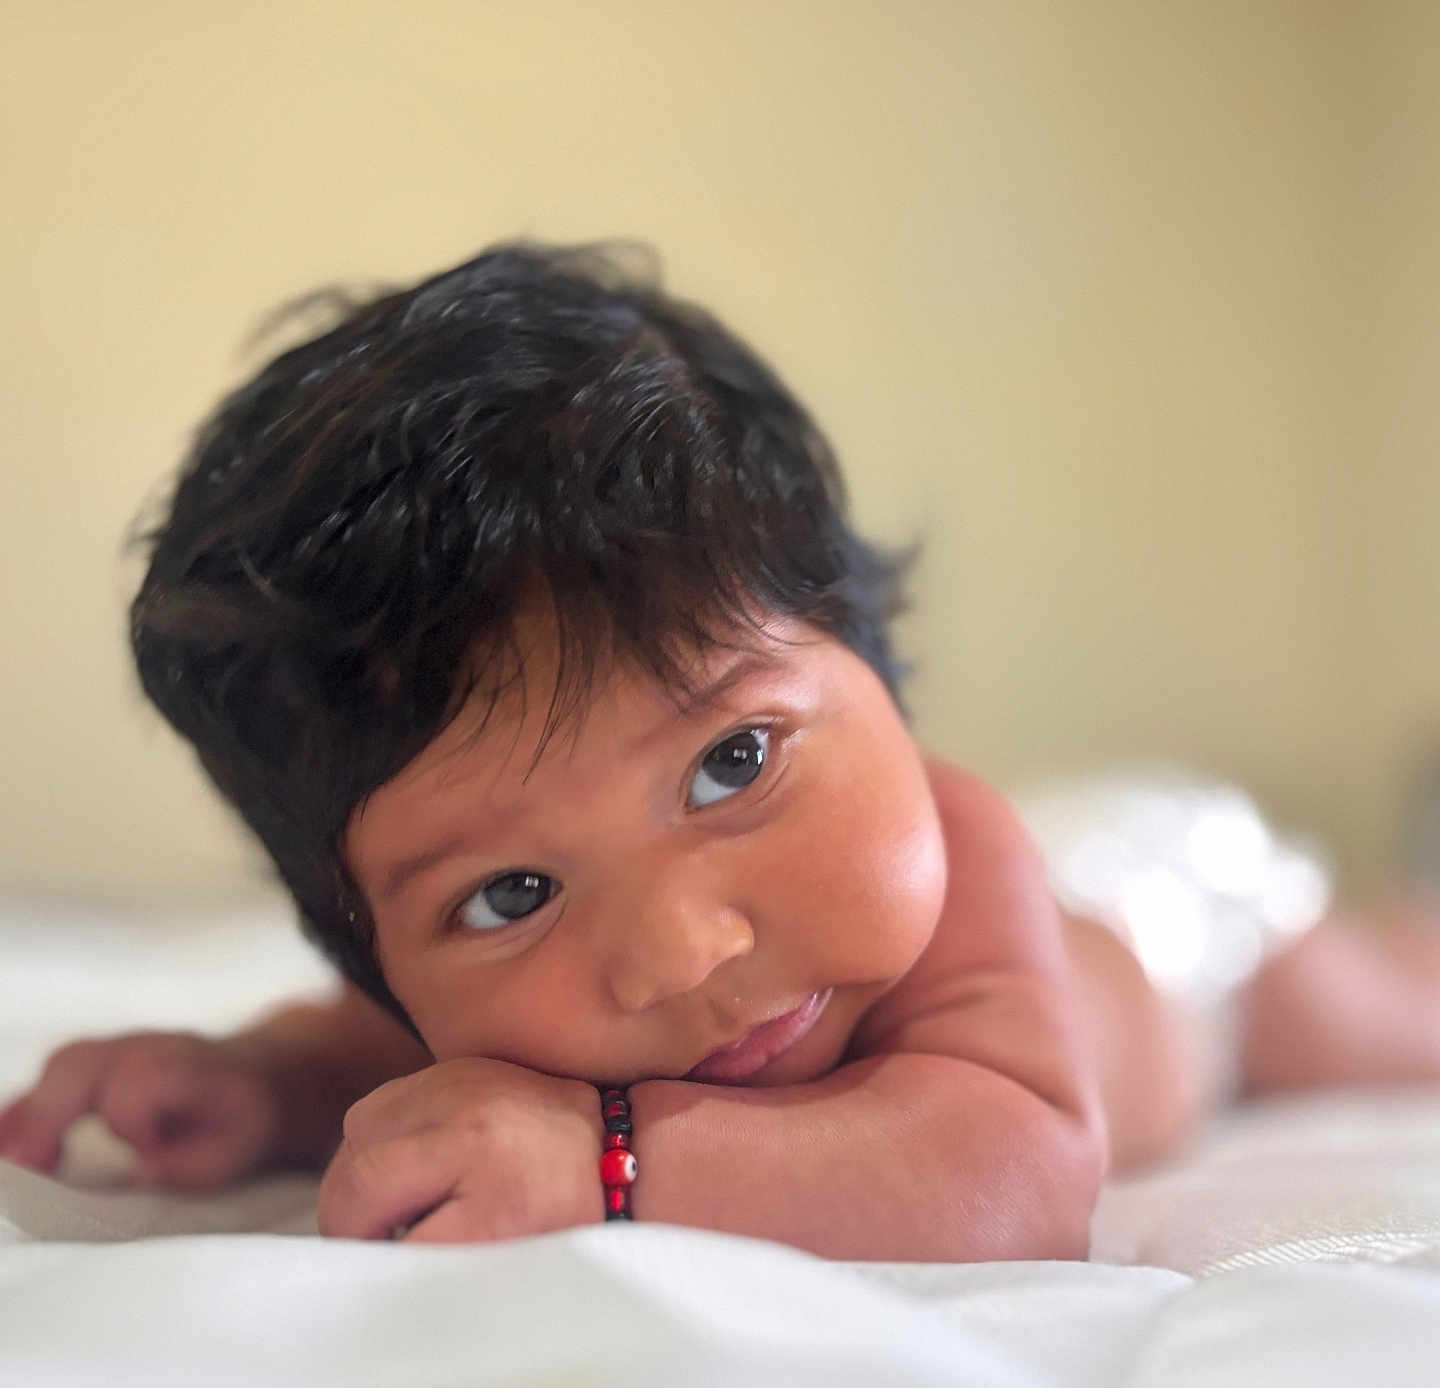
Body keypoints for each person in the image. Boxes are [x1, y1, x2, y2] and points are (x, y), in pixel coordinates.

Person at [2, 244, 1437, 1260]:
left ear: (869, 666)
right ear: (366, 945)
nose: (682, 949)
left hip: (1196, 950)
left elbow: (1009, 1177)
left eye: (733, 763)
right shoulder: (488, 1007)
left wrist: (606, 1167)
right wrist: (260, 1083)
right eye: (512, 895)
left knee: (1385, 1008)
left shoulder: (971, 852)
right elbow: (379, 1050)